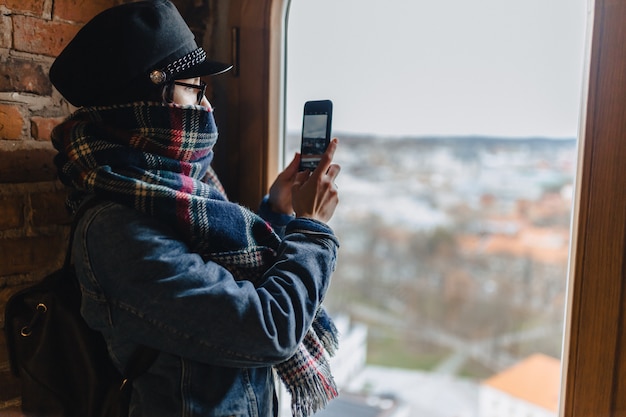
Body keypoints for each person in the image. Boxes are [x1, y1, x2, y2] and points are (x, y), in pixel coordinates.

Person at [48, 1, 341, 416]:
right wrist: (310, 228)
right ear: (149, 101)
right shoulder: (115, 230)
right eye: (193, 88)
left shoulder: (171, 187)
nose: (207, 107)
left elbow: (224, 280)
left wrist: (277, 211)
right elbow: (267, 329)